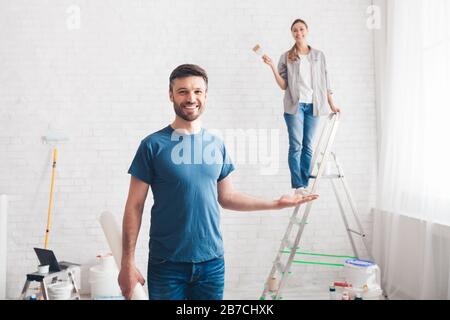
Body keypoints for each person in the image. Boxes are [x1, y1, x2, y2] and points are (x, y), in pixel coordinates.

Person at [118, 64, 319, 300]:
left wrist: (276, 203)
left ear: (206, 96)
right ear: (171, 95)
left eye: (197, 91)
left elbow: (228, 197)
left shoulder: (216, 144)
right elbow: (134, 206)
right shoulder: (152, 145)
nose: (190, 98)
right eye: (182, 91)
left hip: (211, 264)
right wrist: (127, 262)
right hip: (167, 265)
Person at [261, 19, 340, 195]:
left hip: (315, 106)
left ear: (307, 30)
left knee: (308, 146)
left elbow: (326, 81)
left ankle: (304, 184)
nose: (299, 33)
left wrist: (331, 104)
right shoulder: (287, 57)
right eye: (295, 30)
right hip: (294, 106)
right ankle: (298, 186)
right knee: (296, 145)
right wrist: (272, 66)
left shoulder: (319, 56)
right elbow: (283, 85)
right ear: (292, 33)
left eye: (301, 29)